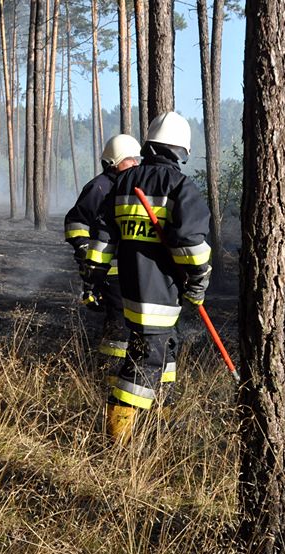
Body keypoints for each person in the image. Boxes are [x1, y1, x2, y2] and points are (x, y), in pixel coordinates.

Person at [84, 112, 212, 443]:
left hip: (129, 290)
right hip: (162, 294)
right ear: (182, 151)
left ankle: (162, 419)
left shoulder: (124, 183)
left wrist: (94, 278)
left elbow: (103, 239)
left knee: (165, 351)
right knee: (146, 361)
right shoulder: (181, 187)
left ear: (150, 145)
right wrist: (198, 284)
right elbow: (192, 248)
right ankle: (117, 438)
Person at [64, 134, 141, 378]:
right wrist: (86, 250)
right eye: (130, 160)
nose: (136, 164)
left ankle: (129, 370)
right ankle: (109, 375)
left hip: (132, 270)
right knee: (118, 321)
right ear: (115, 161)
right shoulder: (100, 187)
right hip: (110, 271)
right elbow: (76, 221)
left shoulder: (130, 186)